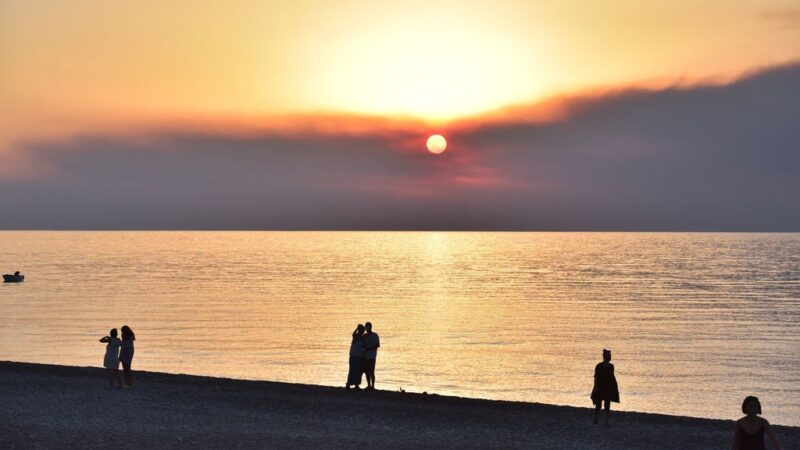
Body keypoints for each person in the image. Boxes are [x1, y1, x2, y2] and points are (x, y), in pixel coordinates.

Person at [591, 349, 619, 425]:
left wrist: (614, 387)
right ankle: (596, 419)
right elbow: (596, 377)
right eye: (608, 356)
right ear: (604, 356)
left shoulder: (611, 366)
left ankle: (605, 421)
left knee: (607, 404)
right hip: (600, 387)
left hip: (608, 387)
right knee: (598, 404)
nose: (610, 357)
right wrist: (595, 387)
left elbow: (612, 377)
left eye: (610, 356)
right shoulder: (598, 366)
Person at [361, 322, 380, 390]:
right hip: (365, 357)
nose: (367, 328)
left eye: (368, 327)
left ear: (371, 327)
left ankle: (373, 386)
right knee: (366, 372)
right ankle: (368, 385)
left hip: (372, 357)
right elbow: (361, 345)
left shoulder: (375, 335)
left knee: (372, 371)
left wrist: (368, 349)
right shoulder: (364, 336)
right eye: (366, 327)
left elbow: (377, 345)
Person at [346, 324, 365, 390]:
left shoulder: (362, 338)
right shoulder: (356, 336)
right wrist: (357, 328)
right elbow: (353, 334)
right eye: (362, 330)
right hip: (354, 356)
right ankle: (348, 384)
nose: (363, 331)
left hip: (359, 356)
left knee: (358, 371)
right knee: (352, 370)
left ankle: (356, 384)